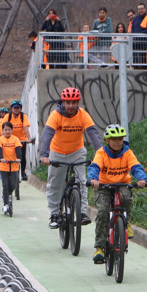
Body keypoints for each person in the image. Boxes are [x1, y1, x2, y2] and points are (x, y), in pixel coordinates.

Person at [39, 86, 103, 229]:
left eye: (74, 102)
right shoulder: (55, 115)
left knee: (82, 181)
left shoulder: (82, 114)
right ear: (63, 102)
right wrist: (44, 155)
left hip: (77, 152)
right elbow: (47, 134)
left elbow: (93, 133)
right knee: (55, 184)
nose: (71, 106)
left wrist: (100, 153)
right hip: (57, 152)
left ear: (78, 103)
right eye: (68, 102)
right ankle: (55, 214)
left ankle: (82, 213)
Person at [87, 124, 147, 263]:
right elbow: (95, 166)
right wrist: (93, 179)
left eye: (120, 139)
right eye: (113, 139)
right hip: (103, 186)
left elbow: (136, 167)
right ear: (107, 141)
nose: (117, 142)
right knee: (103, 211)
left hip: (122, 184)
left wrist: (142, 179)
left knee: (126, 198)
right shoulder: (101, 153)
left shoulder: (127, 152)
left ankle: (126, 223)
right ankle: (100, 248)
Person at [0, 121, 24, 216]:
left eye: (9, 130)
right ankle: (6, 204)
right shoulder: (0, 140)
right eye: (5, 130)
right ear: (2, 131)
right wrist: (1, 158)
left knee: (14, 184)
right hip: (3, 166)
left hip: (14, 165)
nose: (7, 131)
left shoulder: (15, 139)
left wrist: (18, 159)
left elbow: (18, 150)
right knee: (5, 185)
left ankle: (5, 196)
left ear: (12, 130)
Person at [2, 100, 32, 181]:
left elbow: (25, 128)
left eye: (18, 108)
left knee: (22, 156)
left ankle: (23, 172)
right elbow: (4, 129)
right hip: (10, 139)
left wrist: (28, 138)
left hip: (21, 140)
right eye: (14, 108)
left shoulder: (23, 116)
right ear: (12, 109)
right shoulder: (7, 117)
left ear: (20, 109)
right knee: (8, 155)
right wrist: (2, 138)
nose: (16, 110)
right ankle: (8, 171)